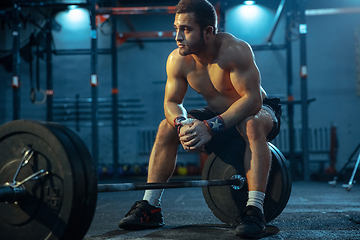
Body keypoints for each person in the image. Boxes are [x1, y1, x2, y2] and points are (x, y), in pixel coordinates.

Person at [118, 0, 281, 238]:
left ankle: (255, 210)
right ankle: (150, 206)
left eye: (186, 29)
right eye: (176, 28)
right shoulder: (178, 60)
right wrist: (182, 124)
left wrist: (211, 126)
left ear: (208, 31)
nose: (177, 36)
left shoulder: (235, 51)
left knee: (251, 123)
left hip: (257, 111)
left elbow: (252, 101)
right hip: (218, 116)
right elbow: (172, 103)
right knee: (166, 127)